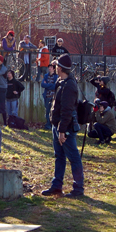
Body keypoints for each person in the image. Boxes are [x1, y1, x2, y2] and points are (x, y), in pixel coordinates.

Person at [42, 54, 84, 198]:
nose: (54, 67)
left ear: (60, 68)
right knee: (59, 156)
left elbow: (67, 111)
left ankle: (78, 188)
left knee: (73, 157)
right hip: (57, 125)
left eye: (56, 65)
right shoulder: (61, 81)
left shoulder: (69, 85)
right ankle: (56, 186)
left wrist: (62, 131)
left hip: (65, 128)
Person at [41, 63, 58, 131]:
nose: (49, 68)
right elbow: (42, 84)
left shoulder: (56, 76)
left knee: (53, 111)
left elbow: (55, 86)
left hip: (53, 96)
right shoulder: (46, 76)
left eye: (51, 67)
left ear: (54, 68)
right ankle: (48, 125)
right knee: (47, 111)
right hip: (47, 96)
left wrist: (47, 85)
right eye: (49, 67)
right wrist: (50, 85)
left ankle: (53, 125)